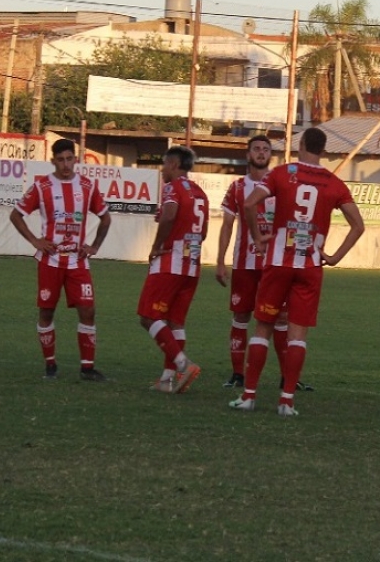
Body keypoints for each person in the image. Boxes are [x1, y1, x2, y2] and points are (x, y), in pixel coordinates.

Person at [229, 127, 364, 416]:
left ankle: (249, 395)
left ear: (301, 144)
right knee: (297, 335)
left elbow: (250, 203)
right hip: (310, 266)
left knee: (263, 326)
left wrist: (256, 236)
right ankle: (287, 401)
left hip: (278, 262)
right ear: (323, 150)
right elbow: (358, 225)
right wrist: (336, 256)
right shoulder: (334, 182)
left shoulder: (281, 173)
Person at [10, 138, 112, 381]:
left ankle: (87, 368)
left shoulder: (87, 186)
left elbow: (106, 218)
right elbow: (15, 215)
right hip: (50, 262)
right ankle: (50, 364)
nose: (66, 164)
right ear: (52, 161)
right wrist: (36, 241)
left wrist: (95, 246)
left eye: (69, 159)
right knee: (46, 312)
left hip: (78, 262)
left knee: (88, 311)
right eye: (60, 160)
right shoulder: (42, 187)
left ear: (76, 159)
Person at [215, 135, 301, 390]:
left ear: (270, 156)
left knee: (281, 319)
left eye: (265, 149)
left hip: (274, 266)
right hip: (244, 266)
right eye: (256, 149)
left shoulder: (282, 186)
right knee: (241, 316)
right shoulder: (238, 187)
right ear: (248, 154)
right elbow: (228, 225)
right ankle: (237, 374)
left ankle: (288, 378)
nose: (261, 153)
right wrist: (220, 261)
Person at [137, 146, 208, 395]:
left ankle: (183, 364)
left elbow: (168, 216)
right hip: (192, 266)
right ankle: (167, 380)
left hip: (170, 262)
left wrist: (157, 247)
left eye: (165, 164)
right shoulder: (200, 193)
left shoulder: (172, 188)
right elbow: (204, 233)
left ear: (176, 165)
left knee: (149, 317)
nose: (162, 169)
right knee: (175, 322)